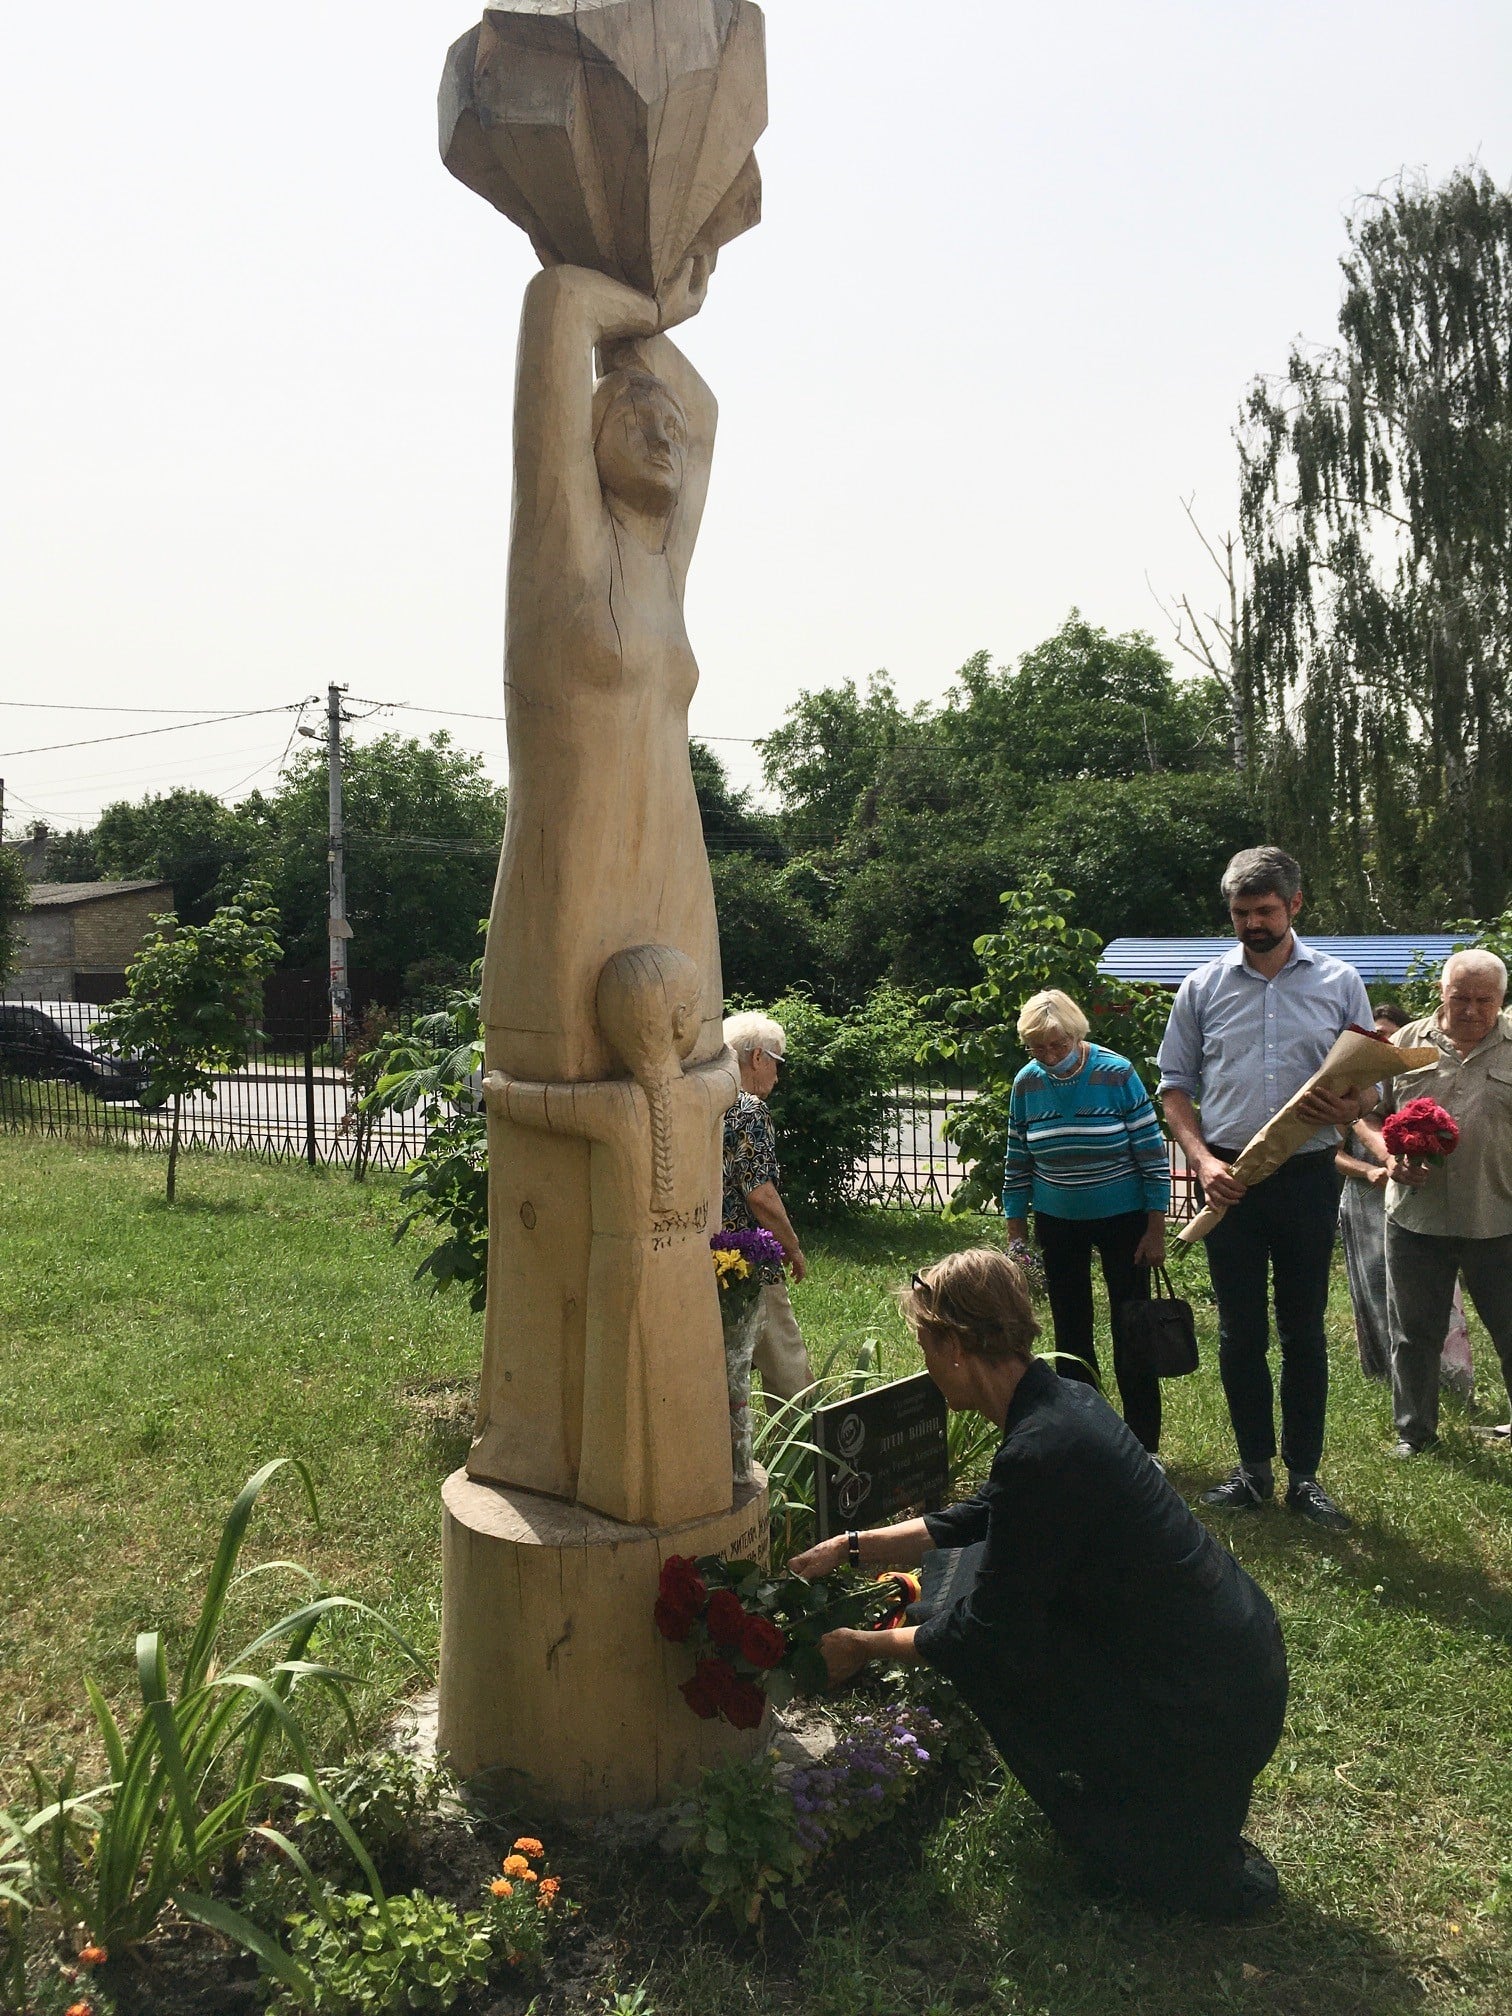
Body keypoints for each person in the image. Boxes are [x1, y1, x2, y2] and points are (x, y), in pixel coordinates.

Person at [790, 1249, 1288, 1919]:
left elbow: (986, 1632)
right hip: (1238, 1670)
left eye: (927, 1346)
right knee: (965, 1586)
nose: (927, 1366)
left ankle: (1123, 1828)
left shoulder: (1043, 1445)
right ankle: (1158, 1817)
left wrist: (859, 1645)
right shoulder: (1061, 1401)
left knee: (986, 1652)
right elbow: (993, 1509)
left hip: (1204, 1711)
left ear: (958, 1345)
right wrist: (855, 1547)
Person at [1157, 846, 1375, 1530]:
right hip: (1231, 1181)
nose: (1252, 923)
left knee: (1304, 1331)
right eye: (1241, 913)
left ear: (1296, 905)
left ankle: (1304, 1477)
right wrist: (1200, 1160)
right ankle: (1252, 1469)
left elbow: (1367, 1084)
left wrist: (1349, 1110)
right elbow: (1174, 1088)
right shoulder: (1201, 988)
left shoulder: (1341, 982)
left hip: (1310, 1177)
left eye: (1265, 911)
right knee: (1240, 1332)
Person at [1356, 950, 1512, 1456]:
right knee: (1414, 1333)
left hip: (1500, 1217)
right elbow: (1365, 1113)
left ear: (1502, 999)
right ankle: (1414, 1433)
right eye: (1459, 997)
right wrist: (1388, 1154)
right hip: (1416, 1219)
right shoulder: (1402, 1044)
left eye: (1483, 1000)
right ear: (1440, 993)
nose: (1470, 1010)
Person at [1001, 989, 1170, 1454]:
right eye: (1038, 1047)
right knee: (1070, 1331)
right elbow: (1017, 1163)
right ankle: (1088, 1442)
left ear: (1076, 1035)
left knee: (1131, 1328)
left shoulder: (1117, 1074)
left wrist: (1156, 1228)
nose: (1049, 1055)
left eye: (1057, 1045)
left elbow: (1153, 1155)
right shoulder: (1027, 1084)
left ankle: (1143, 1446)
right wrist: (1017, 1239)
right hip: (1058, 1220)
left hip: (1125, 1219)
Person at [1337, 1002, 1474, 1394]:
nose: (1381, 1040)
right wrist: (1370, 1170)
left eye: (1386, 1034)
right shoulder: (1351, 1087)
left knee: (1432, 1294)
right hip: (1364, 1196)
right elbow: (1330, 1149)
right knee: (1376, 1288)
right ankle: (1385, 1375)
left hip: (1415, 1196)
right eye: (1373, 1035)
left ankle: (1449, 1375)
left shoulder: (1411, 1078)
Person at [721, 1010, 815, 1404]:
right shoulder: (750, 1110)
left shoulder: (710, 1102)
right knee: (789, 1369)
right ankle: (801, 1454)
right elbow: (760, 1195)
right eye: (777, 1063)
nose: (777, 1076)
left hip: (712, 1253)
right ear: (758, 1058)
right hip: (749, 1259)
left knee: (730, 1371)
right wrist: (791, 1246)